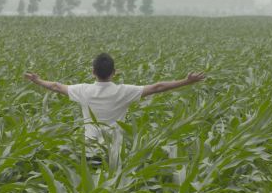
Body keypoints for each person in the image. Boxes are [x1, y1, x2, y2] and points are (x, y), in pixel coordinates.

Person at [24, 52, 206, 144]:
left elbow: (56, 86)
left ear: (93, 72)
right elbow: (158, 87)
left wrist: (37, 80)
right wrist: (186, 81)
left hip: (90, 150)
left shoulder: (83, 91)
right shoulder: (123, 92)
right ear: (114, 72)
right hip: (114, 153)